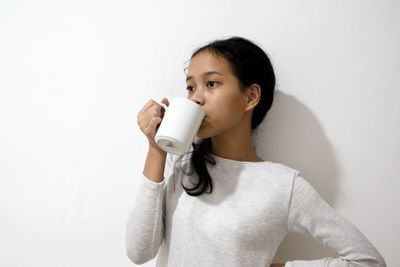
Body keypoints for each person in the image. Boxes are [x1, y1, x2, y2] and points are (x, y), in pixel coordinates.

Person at [126, 36, 386, 266]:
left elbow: (368, 261)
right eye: (191, 86)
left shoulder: (284, 186)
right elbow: (139, 253)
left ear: (250, 97)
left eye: (212, 84)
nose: (195, 97)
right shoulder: (181, 164)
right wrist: (156, 149)